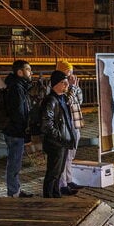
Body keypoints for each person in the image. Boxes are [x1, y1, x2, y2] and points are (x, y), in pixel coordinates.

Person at [40, 70, 76, 198]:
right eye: (63, 82)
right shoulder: (51, 101)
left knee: (59, 171)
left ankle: (56, 193)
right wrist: (59, 137)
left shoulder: (63, 98)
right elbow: (47, 124)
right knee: (53, 172)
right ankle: (48, 195)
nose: (66, 85)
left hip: (63, 141)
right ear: (55, 84)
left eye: (67, 82)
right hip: (56, 142)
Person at [4, 60, 33, 198]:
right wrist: (25, 132)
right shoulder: (16, 87)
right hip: (15, 131)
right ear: (20, 72)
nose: (31, 72)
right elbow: (19, 113)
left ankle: (15, 189)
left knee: (14, 161)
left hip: (14, 130)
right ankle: (14, 192)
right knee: (14, 162)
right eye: (28, 69)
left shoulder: (18, 86)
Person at [56, 61, 83, 195]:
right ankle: (62, 184)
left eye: (71, 71)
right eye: (68, 71)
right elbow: (67, 101)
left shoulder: (70, 85)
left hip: (75, 123)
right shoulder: (58, 84)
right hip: (66, 125)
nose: (71, 74)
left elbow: (79, 100)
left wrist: (76, 88)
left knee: (71, 155)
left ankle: (69, 179)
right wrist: (72, 87)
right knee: (64, 155)